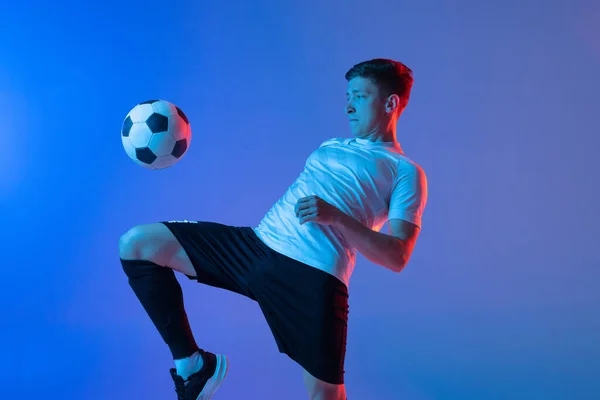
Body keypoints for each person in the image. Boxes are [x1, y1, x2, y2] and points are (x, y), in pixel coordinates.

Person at [119, 58, 428, 400]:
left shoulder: (405, 171)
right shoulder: (331, 145)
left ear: (390, 103)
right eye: (347, 95)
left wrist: (337, 217)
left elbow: (397, 255)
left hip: (313, 279)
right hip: (257, 247)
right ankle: (194, 367)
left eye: (360, 95)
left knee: (326, 397)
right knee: (138, 244)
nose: (349, 105)